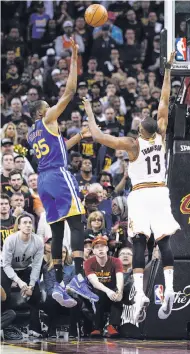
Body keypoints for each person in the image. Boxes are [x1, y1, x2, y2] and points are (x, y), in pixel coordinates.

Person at [84, 52, 180, 322]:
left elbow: (99, 136)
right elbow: (164, 100)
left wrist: (90, 112)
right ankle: (170, 288)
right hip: (161, 191)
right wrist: (168, 69)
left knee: (139, 242)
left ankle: (140, 293)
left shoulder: (133, 144)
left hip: (140, 194)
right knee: (164, 241)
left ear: (140, 131)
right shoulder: (160, 135)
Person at [26, 38, 98, 308]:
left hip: (43, 181)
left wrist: (79, 136)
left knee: (57, 233)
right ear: (42, 112)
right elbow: (69, 92)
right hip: (58, 175)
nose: (51, 108)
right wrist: (75, 57)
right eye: (47, 106)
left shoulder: (33, 133)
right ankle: (78, 275)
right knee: (78, 221)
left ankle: (57, 281)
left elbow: (59, 147)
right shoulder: (46, 118)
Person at [1, 214, 44, 337]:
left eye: (30, 222)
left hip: (25, 268)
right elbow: (7, 265)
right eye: (24, 223)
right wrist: (19, 282)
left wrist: (30, 285)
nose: (28, 225)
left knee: (36, 293)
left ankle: (34, 328)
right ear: (18, 226)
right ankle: (6, 325)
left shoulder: (38, 242)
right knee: (5, 295)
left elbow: (36, 266)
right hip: (6, 268)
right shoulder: (10, 240)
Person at [84, 236, 124, 337]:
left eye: (103, 246)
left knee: (118, 297)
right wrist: (107, 291)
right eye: (97, 247)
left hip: (113, 289)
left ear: (107, 248)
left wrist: (119, 291)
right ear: (93, 251)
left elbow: (120, 278)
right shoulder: (89, 262)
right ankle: (97, 327)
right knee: (99, 295)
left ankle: (112, 326)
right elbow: (94, 282)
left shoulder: (116, 261)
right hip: (97, 291)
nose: (100, 249)